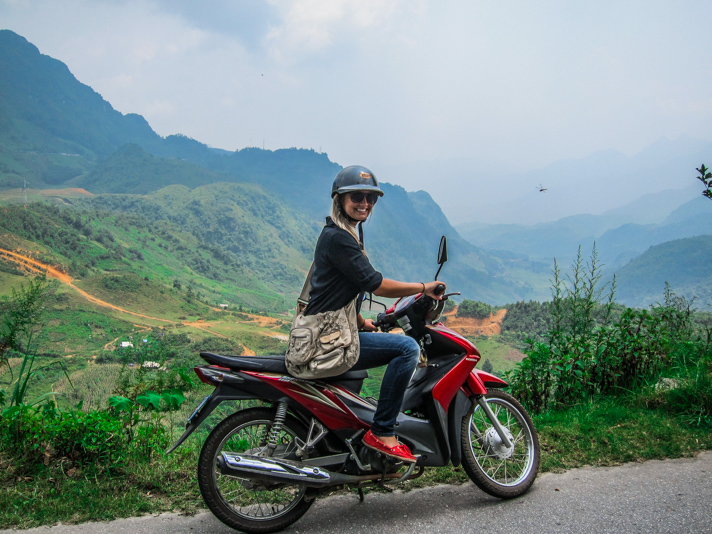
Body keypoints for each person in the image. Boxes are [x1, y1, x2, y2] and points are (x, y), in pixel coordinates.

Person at [304, 165, 445, 463]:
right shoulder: (340, 239)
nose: (365, 203)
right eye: (357, 196)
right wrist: (424, 287)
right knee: (407, 348)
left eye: (371, 198)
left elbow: (332, 292)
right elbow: (375, 285)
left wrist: (361, 322)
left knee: (391, 344)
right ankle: (382, 432)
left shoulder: (341, 234)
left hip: (329, 332)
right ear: (340, 199)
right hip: (327, 341)